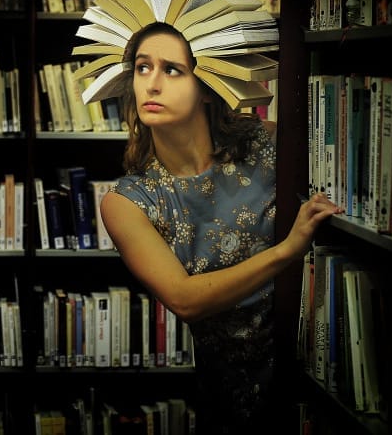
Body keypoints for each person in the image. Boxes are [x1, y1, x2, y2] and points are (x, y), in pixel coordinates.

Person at [98, 22, 342, 434]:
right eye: (142, 68)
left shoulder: (266, 143)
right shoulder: (128, 202)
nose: (151, 84)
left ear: (207, 85)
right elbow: (185, 300)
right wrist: (287, 250)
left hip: (319, 367)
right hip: (233, 395)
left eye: (171, 69)